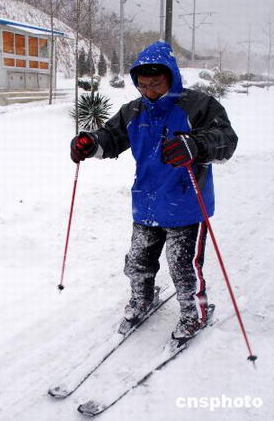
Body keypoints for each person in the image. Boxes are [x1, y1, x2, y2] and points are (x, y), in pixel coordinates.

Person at [70, 41, 238, 340]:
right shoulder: (134, 110)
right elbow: (110, 137)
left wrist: (196, 145)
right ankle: (142, 297)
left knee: (182, 266)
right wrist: (89, 143)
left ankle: (193, 312)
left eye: (156, 84)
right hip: (146, 201)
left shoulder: (198, 105)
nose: (149, 91)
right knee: (137, 260)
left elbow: (226, 139)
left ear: (171, 77)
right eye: (143, 85)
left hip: (185, 203)